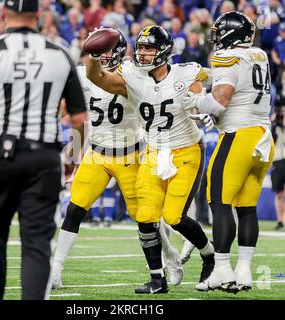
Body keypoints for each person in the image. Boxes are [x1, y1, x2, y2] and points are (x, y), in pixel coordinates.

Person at [0, 0, 87, 300]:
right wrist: (72, 159)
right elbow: (79, 119)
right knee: (37, 244)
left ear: (3, 13)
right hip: (44, 155)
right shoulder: (60, 53)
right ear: (38, 14)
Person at [86, 25, 215, 294]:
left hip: (186, 151)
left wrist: (202, 99)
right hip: (154, 152)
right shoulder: (130, 73)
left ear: (164, 51)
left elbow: (215, 78)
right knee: (145, 217)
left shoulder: (185, 71)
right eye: (141, 47)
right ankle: (158, 279)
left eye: (149, 48)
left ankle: (209, 256)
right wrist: (93, 56)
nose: (142, 53)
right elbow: (98, 78)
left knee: (175, 217)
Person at [50, 32, 184, 291]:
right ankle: (56, 268)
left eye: (109, 49)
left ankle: (170, 255)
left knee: (145, 217)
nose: (105, 55)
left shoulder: (135, 73)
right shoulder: (82, 74)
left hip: (130, 154)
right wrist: (72, 151)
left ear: (121, 51)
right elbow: (68, 111)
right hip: (97, 153)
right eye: (100, 49)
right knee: (75, 209)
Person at [186, 12, 274, 292]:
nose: (215, 38)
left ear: (230, 34)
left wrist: (197, 101)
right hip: (263, 136)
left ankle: (223, 269)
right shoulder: (259, 54)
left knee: (218, 200)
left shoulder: (226, 57)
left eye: (219, 32)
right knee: (246, 207)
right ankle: (244, 272)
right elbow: (240, 97)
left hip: (239, 136)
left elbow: (222, 99)